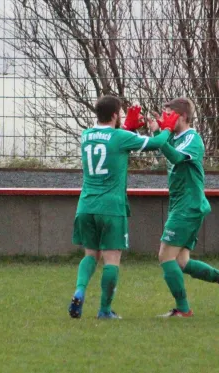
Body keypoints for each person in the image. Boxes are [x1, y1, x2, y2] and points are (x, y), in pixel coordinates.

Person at [68, 95, 176, 320]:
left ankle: (79, 290)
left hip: (86, 205)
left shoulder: (86, 135)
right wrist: (166, 128)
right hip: (111, 207)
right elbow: (155, 144)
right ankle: (105, 310)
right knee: (111, 258)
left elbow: (109, 142)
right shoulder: (120, 136)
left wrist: (127, 127)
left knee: (90, 254)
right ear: (115, 115)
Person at [148, 97, 219, 318]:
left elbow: (175, 157)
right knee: (182, 261)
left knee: (165, 257)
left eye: (168, 114)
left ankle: (183, 309)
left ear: (182, 116)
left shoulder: (193, 139)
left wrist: (161, 136)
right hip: (181, 205)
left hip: (188, 206)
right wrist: (157, 133)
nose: (165, 119)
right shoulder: (174, 136)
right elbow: (162, 153)